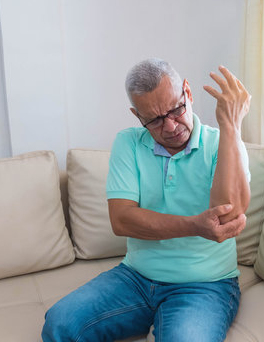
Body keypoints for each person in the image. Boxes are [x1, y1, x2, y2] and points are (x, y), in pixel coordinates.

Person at [42, 58, 251, 342]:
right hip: (135, 278)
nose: (169, 126)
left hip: (204, 285)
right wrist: (194, 225)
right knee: (60, 324)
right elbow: (122, 219)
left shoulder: (223, 143)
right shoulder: (128, 143)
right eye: (154, 119)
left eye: (176, 110)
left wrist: (230, 125)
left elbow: (227, 216)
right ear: (136, 115)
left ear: (188, 93)